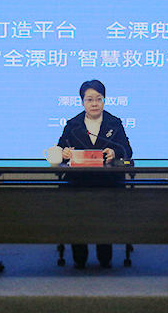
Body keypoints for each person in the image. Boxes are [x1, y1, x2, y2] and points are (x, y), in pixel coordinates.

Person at [57, 79, 132, 268]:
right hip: (78, 182)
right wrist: (64, 153)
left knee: (105, 219)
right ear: (82, 102)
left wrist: (115, 152)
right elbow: (59, 150)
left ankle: (104, 256)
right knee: (78, 220)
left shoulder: (114, 123)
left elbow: (127, 151)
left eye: (99, 99)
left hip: (108, 182)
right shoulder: (73, 124)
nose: (95, 103)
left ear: (104, 101)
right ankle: (79, 257)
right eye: (89, 99)